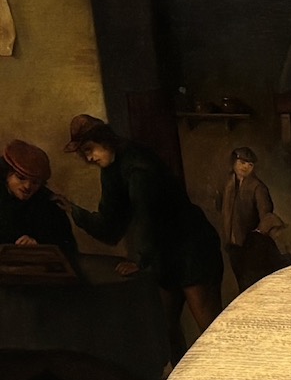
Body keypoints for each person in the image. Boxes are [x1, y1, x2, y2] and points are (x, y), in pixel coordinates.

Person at [56, 114, 224, 350]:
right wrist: (76, 212)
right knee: (165, 328)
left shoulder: (138, 165)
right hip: (163, 252)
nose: (88, 157)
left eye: (89, 149)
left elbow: (148, 215)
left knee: (210, 329)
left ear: (105, 139)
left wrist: (141, 259)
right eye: (84, 153)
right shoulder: (110, 170)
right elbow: (110, 226)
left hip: (191, 246)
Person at [218, 146, 288, 294]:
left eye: (250, 165)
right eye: (242, 162)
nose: (245, 167)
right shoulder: (227, 183)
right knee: (240, 282)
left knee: (251, 284)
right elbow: (220, 205)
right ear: (234, 162)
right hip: (232, 244)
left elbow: (266, 215)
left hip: (250, 246)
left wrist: (257, 234)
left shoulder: (257, 187)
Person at [0, 140, 80, 268]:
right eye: (21, 178)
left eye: (35, 182)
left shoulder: (50, 206)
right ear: (6, 175)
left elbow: (68, 250)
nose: (27, 186)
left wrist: (40, 245)